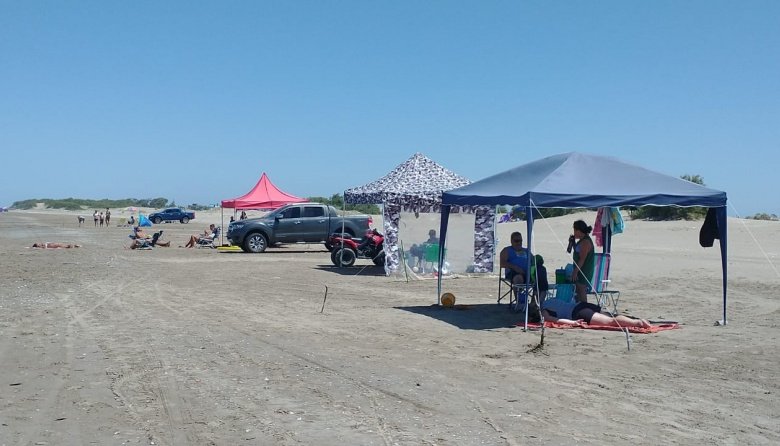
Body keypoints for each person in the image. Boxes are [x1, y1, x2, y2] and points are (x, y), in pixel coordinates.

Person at [541, 298, 652, 329]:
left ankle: (638, 323)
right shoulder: (550, 299)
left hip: (578, 312)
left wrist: (573, 322)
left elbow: (555, 320)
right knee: (611, 316)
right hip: (581, 304)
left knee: (610, 321)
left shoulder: (543, 309)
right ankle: (636, 320)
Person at [569, 220, 595, 303]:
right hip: (579, 269)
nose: (574, 232)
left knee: (581, 290)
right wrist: (573, 243)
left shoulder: (585, 242)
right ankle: (579, 309)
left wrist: (575, 272)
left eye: (575, 230)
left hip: (584, 270)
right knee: (578, 291)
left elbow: (582, 259)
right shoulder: (582, 240)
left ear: (579, 231)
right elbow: (577, 252)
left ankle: (585, 308)